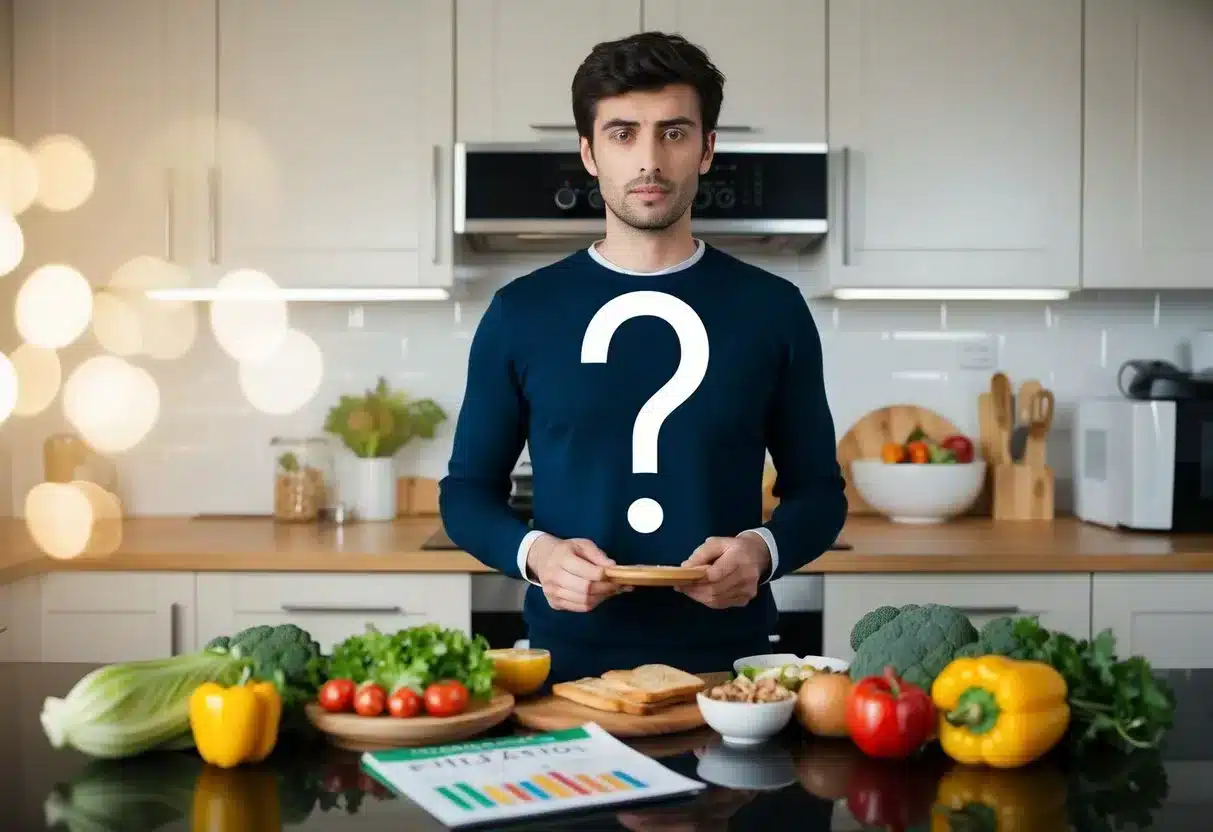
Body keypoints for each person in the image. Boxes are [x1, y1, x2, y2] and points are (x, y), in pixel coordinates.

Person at [440, 31, 847, 684]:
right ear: (589, 152)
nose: (649, 160)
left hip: (732, 680)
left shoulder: (773, 309)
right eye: (623, 133)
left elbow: (820, 495)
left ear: (707, 149)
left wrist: (762, 550)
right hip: (566, 674)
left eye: (674, 133)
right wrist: (535, 554)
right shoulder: (521, 312)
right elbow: (464, 495)